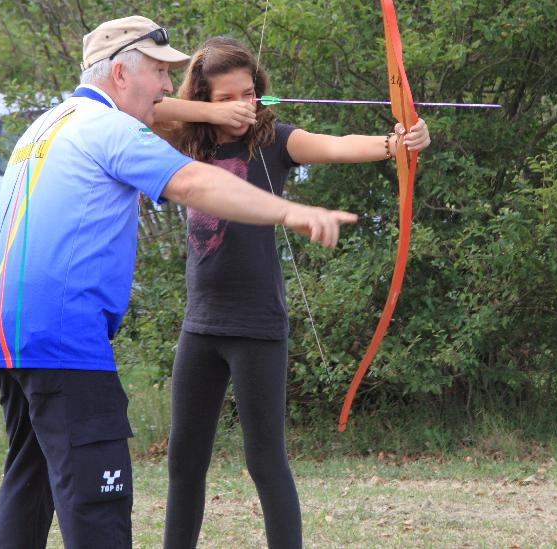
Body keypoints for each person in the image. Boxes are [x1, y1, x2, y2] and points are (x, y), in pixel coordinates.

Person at [0, 16, 357, 549]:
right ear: (122, 73)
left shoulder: (47, 124)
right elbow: (196, 182)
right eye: (158, 71)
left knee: (29, 479)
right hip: (64, 337)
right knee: (97, 500)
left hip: (3, 334)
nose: (165, 88)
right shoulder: (109, 128)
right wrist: (290, 213)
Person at [153, 36, 430, 549]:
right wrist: (204, 115)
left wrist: (397, 143)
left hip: (256, 326)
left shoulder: (274, 140)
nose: (244, 105)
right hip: (200, 326)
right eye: (227, 97)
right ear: (202, 100)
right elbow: (147, 107)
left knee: (265, 460)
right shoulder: (187, 143)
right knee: (184, 460)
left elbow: (337, 143)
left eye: (250, 93)